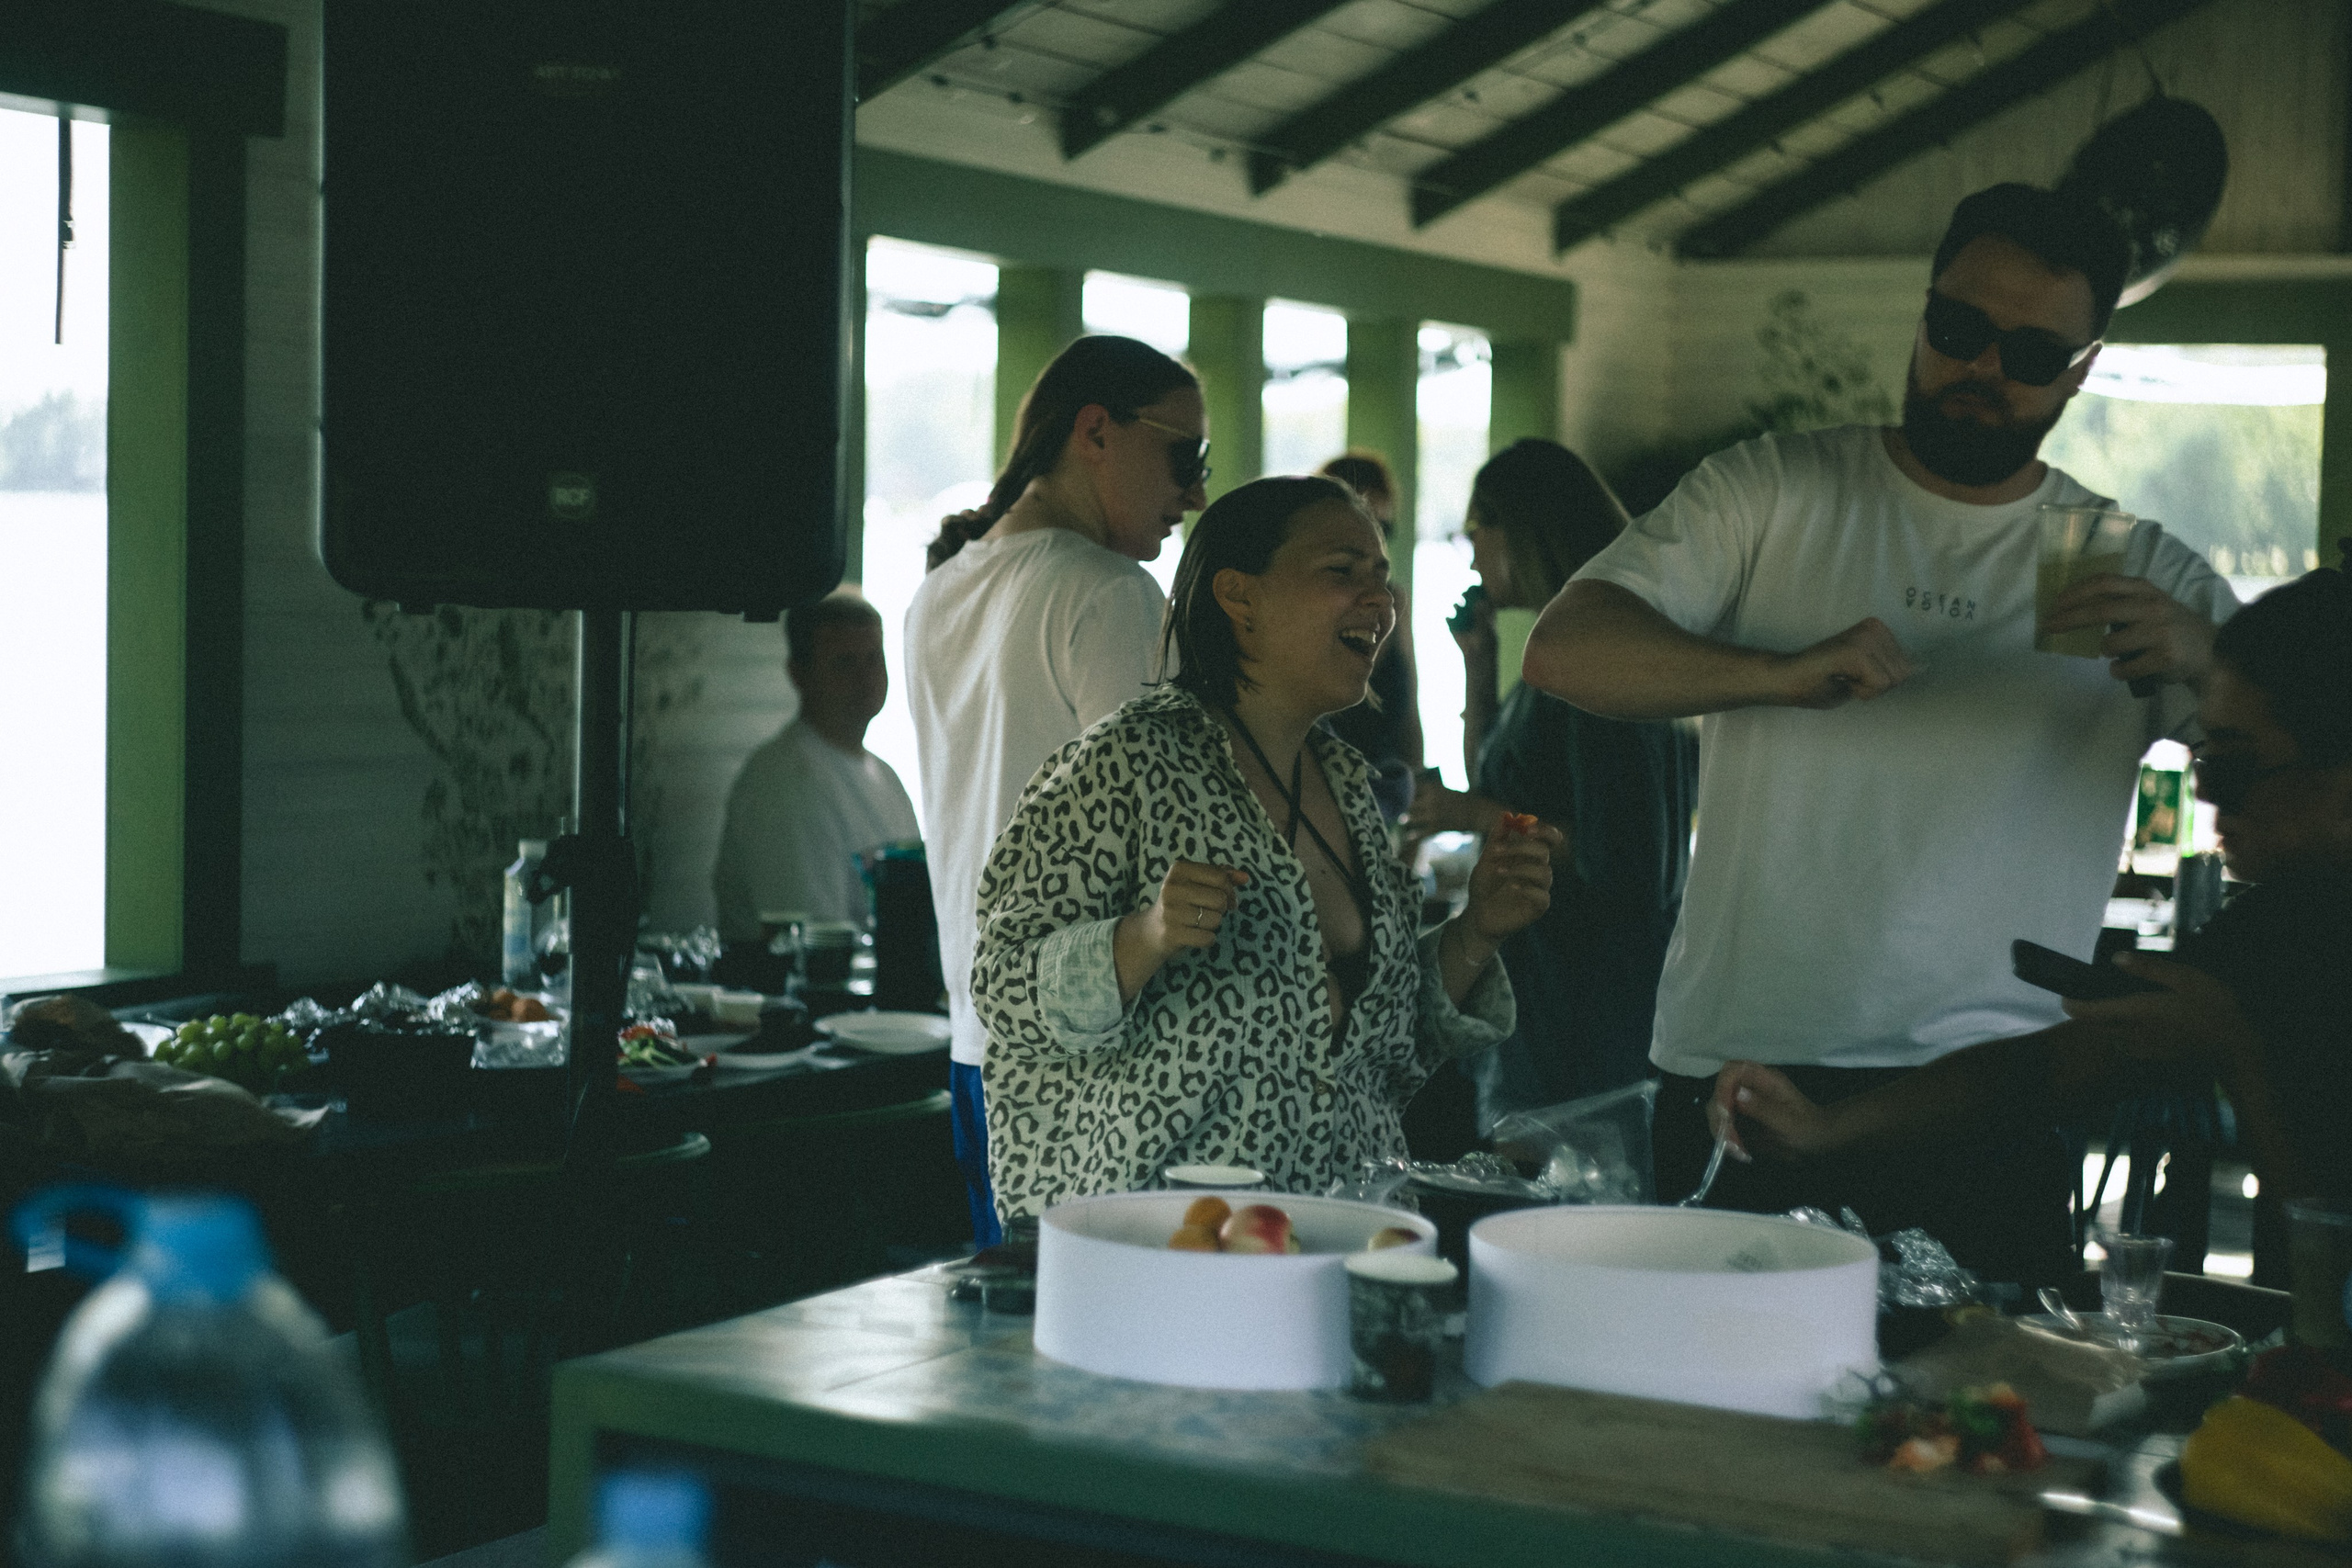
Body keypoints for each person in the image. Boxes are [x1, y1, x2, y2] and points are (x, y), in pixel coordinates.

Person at [1521, 183, 2237, 1285]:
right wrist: (1771, 673)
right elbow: (1566, 649)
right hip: (1741, 1069)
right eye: (1959, 330)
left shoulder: (2103, 559)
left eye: (2031, 352)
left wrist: (2205, 662)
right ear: (1920, 313)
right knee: (1707, 1435)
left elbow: (2297, 762)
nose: (1984, 368)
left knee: (1979, 1441)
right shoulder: (1779, 489)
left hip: (1985, 1091)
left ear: (2082, 369)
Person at [1709, 563, 2352, 1285]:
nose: (2201, 787)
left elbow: (2335, 1244)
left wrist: (2238, 1052)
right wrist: (1826, 1129)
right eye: (2202, 752)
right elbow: (2050, 1068)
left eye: (2234, 761)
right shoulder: (2280, 917)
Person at [973, 476, 1557, 1219]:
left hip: (1334, 1241)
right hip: (1161, 1250)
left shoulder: (1347, 783)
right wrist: (1141, 938)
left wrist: (1479, 927)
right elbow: (1001, 985)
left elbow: (1384, 1048)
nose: (1380, 603)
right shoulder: (1127, 765)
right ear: (1239, 597)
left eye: (1382, 578)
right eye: (1341, 573)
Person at [906, 334, 1208, 1246]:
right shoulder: (1109, 593)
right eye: (1182, 456)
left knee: (1019, 1353)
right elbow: (1170, 841)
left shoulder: (938, 592)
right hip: (1088, 1047)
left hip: (977, 1041)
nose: (1194, 495)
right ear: (1095, 432)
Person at [1405, 440, 1698, 1122]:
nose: (1472, 553)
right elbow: (1503, 780)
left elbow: (1618, 852)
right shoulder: (1579, 648)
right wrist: (1481, 664)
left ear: (1524, 528)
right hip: (1554, 990)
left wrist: (1471, 813)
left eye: (1477, 528)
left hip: (1584, 1002)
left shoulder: (1598, 663)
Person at [711, 593, 917, 940]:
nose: (865, 678)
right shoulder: (784, 782)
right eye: (844, 662)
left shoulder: (885, 777)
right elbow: (810, 942)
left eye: (873, 658)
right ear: (799, 673)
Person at [1317, 450, 1423, 820]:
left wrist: (1413, 802)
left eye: (1384, 528)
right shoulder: (1311, 603)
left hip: (1384, 796)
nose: (1372, 539)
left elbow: (1408, 702)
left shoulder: (1393, 600)